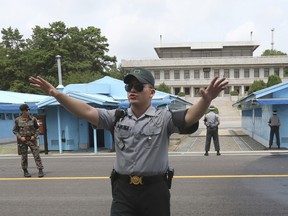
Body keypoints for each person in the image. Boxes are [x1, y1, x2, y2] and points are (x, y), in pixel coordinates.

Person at [29, 68, 228, 216]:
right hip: (123, 191)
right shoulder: (116, 117)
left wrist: (206, 100)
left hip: (155, 191)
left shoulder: (163, 118)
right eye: (129, 86)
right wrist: (57, 94)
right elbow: (86, 111)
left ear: (151, 92)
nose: (132, 90)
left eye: (138, 86)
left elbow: (189, 117)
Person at [12, 104, 44, 177]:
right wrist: (20, 137)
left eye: (29, 109)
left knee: (36, 155)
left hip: (32, 140)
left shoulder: (33, 119)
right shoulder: (17, 120)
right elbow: (15, 130)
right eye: (27, 110)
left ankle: (40, 170)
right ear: (23, 111)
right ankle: (25, 171)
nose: (28, 111)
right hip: (23, 141)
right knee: (24, 156)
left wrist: (34, 136)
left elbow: (38, 129)